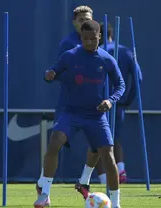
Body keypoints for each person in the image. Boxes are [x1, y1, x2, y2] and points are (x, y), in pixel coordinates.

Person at [34, 20, 125, 208]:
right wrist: (49, 74)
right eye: (86, 39)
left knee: (108, 155)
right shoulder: (70, 55)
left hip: (96, 115)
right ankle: (45, 194)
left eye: (93, 38)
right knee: (54, 142)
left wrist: (110, 101)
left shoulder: (107, 59)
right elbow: (53, 72)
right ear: (80, 38)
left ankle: (115, 204)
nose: (90, 42)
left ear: (100, 36)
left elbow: (120, 85)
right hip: (71, 112)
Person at [36, 5, 101, 199]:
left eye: (87, 19)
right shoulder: (67, 44)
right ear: (74, 22)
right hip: (69, 103)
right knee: (57, 144)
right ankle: (43, 184)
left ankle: (84, 181)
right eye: (80, 20)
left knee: (98, 146)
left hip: (93, 104)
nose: (83, 22)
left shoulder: (98, 42)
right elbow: (59, 71)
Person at [75, 22, 143, 198]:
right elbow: (138, 77)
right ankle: (120, 170)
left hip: (95, 105)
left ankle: (104, 179)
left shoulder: (96, 52)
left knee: (97, 143)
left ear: (99, 35)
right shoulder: (126, 51)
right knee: (112, 138)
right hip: (116, 103)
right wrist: (127, 100)